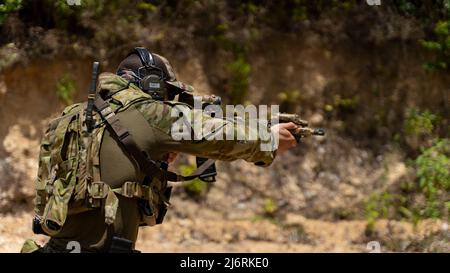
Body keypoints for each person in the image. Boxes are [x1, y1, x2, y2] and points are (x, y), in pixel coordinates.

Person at [21, 47, 299, 253]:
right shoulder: (147, 112)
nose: (167, 99)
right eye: (166, 92)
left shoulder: (72, 117)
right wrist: (268, 138)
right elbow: (218, 137)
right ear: (151, 83)